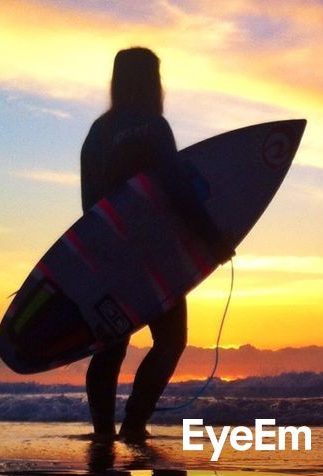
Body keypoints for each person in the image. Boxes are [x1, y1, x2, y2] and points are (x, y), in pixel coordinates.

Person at [81, 47, 233, 441]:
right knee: (170, 341)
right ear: (151, 81)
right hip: (155, 254)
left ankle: (102, 433)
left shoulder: (98, 132)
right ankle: (133, 425)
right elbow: (175, 186)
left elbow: (90, 205)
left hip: (106, 251)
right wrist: (211, 239)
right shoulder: (153, 126)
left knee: (111, 345)